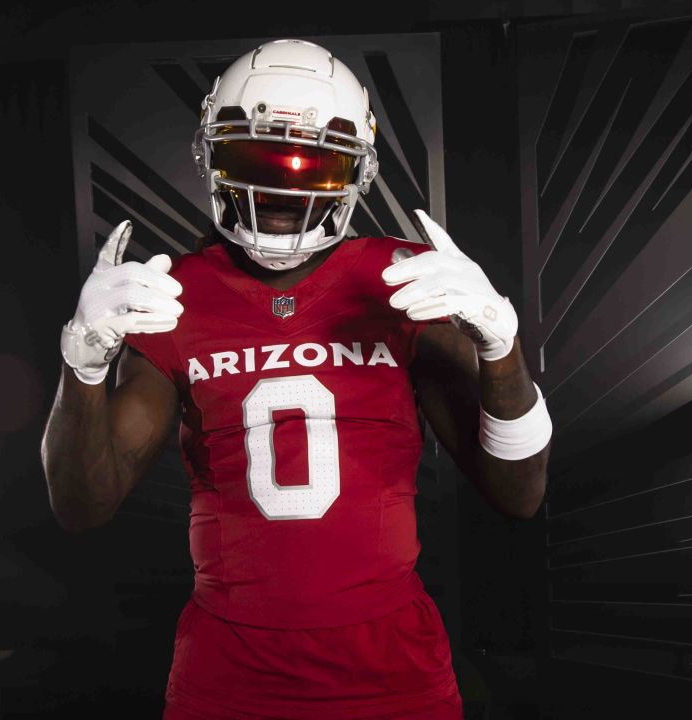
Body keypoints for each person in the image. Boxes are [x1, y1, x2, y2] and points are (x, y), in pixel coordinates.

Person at [42, 38, 551, 720]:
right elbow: (80, 506)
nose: (279, 189)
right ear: (213, 157)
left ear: (352, 172)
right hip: (228, 671)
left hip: (391, 668)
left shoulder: (403, 283)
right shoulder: (170, 296)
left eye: (312, 167)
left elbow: (519, 493)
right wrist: (83, 363)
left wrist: (502, 345)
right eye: (254, 158)